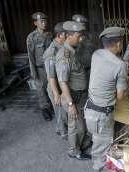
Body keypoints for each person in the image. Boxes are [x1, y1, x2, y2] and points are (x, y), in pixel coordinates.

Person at [85, 27, 129, 172]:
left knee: (97, 141)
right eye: (121, 42)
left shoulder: (96, 54)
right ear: (118, 44)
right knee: (101, 151)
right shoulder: (120, 65)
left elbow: (105, 75)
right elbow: (120, 96)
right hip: (102, 116)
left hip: (90, 109)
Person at [55, 21, 91, 160]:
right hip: (72, 98)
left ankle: (79, 145)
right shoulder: (65, 56)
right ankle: (74, 151)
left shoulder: (74, 50)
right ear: (69, 35)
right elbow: (62, 81)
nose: (81, 38)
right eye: (78, 35)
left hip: (79, 96)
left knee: (80, 125)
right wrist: (70, 105)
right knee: (76, 127)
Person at [26, 12, 53, 121]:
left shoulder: (49, 35)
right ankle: (45, 109)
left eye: (45, 20)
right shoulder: (31, 37)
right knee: (41, 90)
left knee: (52, 87)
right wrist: (33, 72)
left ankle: (53, 106)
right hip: (39, 68)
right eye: (41, 21)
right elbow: (30, 56)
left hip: (50, 67)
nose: (44, 23)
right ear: (35, 23)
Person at [43, 22, 67, 138]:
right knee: (59, 111)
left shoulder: (62, 47)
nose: (68, 35)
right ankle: (63, 132)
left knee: (62, 110)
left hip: (61, 85)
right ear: (60, 35)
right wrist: (57, 94)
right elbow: (51, 76)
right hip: (55, 86)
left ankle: (60, 128)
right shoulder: (51, 52)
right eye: (66, 33)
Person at [72, 14, 96, 82]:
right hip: (78, 69)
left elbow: (92, 48)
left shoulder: (88, 35)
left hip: (89, 67)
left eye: (84, 25)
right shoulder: (71, 36)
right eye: (81, 25)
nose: (83, 27)